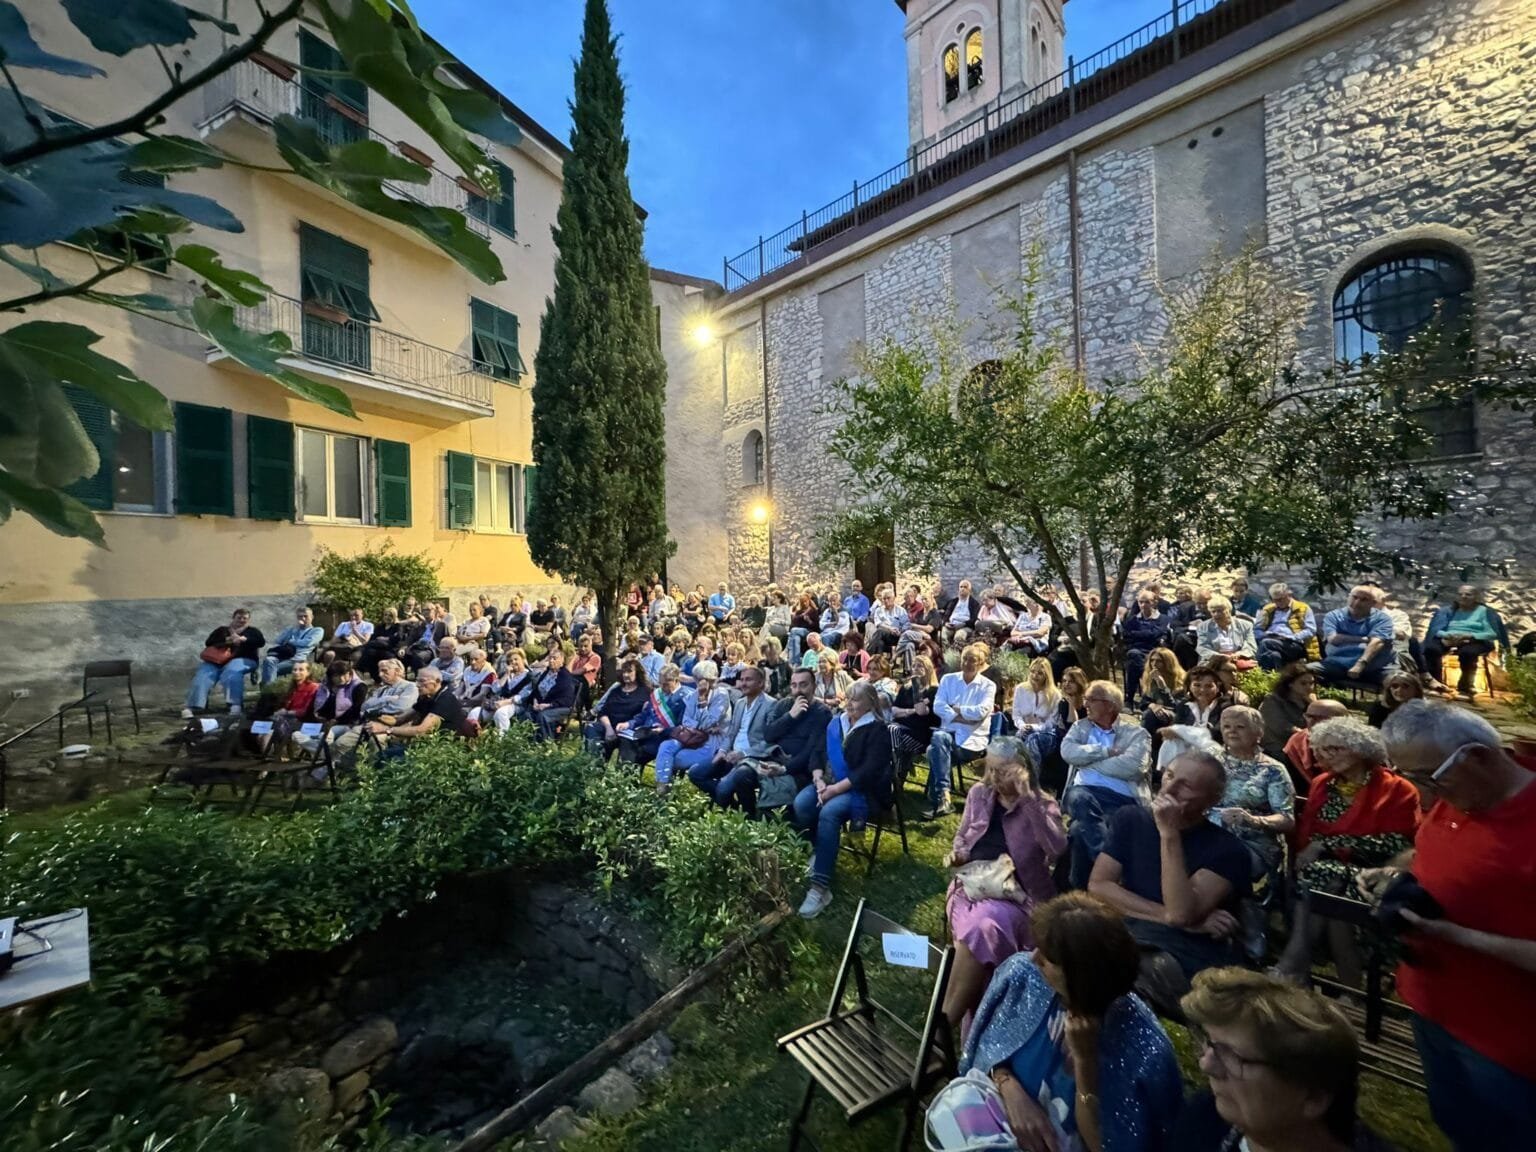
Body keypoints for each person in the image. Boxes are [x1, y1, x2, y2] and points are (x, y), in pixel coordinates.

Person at [1360, 702, 1536, 1149]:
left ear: (1477, 756)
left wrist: (1454, 935)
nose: (1422, 791)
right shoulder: (1457, 798)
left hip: (1509, 1040)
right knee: (1459, 1126)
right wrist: (1398, 873)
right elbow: (1427, 851)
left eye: (1426, 777)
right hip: (1432, 1008)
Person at [961, 892, 1184, 1152]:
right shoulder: (1023, 976)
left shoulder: (1146, 1050)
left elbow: (1109, 1145)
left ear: (1081, 976)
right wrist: (1008, 1087)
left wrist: (1085, 1060)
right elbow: (984, 1050)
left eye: (1048, 958)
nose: (1034, 958)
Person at [1089, 751, 1252, 1007]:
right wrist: (1166, 916)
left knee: (1113, 965)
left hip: (1188, 952)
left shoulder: (1228, 851)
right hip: (1136, 929)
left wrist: (1169, 834)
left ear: (1212, 800)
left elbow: (1180, 913)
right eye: (1169, 775)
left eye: (1185, 785)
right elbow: (1099, 886)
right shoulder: (1131, 819)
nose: (1170, 788)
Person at [1175, 968, 1399, 1152]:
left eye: (1230, 1055)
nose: (1206, 1065)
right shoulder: (1204, 1121)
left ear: (1314, 1097)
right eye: (1210, 1044)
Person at [1273, 716, 1421, 987]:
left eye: (1336, 748)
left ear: (1361, 748)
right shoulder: (1323, 784)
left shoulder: (1398, 789)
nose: (1328, 756)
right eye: (1323, 750)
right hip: (1327, 874)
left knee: (1327, 887)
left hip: (1376, 873)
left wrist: (1326, 845)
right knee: (1332, 901)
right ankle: (1347, 985)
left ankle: (1295, 964)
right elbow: (1307, 833)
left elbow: (1397, 843)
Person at [942, 737, 1067, 1036]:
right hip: (972, 887)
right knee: (981, 928)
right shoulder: (979, 794)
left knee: (983, 928)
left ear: (1022, 769)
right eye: (990, 769)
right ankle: (967, 1029)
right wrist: (960, 853)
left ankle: (944, 1027)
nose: (993, 778)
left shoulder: (1042, 803)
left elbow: (1057, 849)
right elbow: (962, 836)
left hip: (1020, 899)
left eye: (1002, 771)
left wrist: (1028, 799)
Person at [792, 680, 893, 918]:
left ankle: (820, 888)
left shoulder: (878, 730)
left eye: (856, 699)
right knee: (802, 804)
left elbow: (868, 772)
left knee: (829, 812)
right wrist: (818, 779)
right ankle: (821, 849)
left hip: (862, 792)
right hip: (827, 783)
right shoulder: (836, 722)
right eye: (848, 698)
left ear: (870, 702)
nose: (850, 704)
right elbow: (818, 752)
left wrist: (833, 791)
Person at [1213, 706, 1296, 959]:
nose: (1231, 731)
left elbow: (1286, 818)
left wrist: (1253, 820)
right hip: (1209, 835)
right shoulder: (1209, 760)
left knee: (1226, 862)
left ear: (1258, 733)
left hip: (1253, 843)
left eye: (1240, 726)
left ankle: (1248, 940)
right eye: (1227, 726)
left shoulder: (1272, 770)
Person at [1061, 681, 1153, 889]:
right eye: (1085, 699)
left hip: (1121, 799)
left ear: (1110, 705)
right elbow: (1067, 753)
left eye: (1091, 700)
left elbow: (1133, 767)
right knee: (1080, 799)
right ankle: (1109, 868)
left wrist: (1088, 762)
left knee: (1078, 829)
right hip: (1083, 794)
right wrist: (1104, 752)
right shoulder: (1080, 727)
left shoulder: (1137, 734)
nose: (1085, 704)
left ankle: (1079, 889)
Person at [688, 664, 778, 813]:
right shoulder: (740, 703)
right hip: (730, 754)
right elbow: (731, 733)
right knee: (695, 773)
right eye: (742, 679)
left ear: (760, 683)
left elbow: (769, 741)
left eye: (748, 680)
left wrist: (742, 754)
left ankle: (742, 814)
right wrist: (722, 751)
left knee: (723, 789)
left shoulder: (771, 705)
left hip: (751, 759)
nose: (743, 683)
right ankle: (734, 809)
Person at [922, 642, 997, 820]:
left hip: (972, 742)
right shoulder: (948, 680)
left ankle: (940, 797)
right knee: (940, 738)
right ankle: (944, 796)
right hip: (948, 735)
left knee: (935, 750)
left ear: (980, 663)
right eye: (965, 659)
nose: (968, 663)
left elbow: (981, 713)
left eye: (973, 660)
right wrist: (963, 717)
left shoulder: (988, 686)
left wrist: (955, 710)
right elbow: (938, 706)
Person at [654, 660, 732, 795]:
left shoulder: (721, 695)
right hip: (690, 736)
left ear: (710, 680)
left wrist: (702, 703)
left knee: (674, 759)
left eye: (700, 679)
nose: (697, 683)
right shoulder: (693, 695)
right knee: (666, 746)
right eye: (696, 679)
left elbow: (709, 722)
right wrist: (701, 725)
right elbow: (686, 721)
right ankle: (662, 788)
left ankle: (666, 794)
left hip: (711, 742)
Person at [1422, 584, 1510, 698]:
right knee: (1431, 649)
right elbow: (1436, 630)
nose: (1463, 597)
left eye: (1468, 594)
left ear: (1476, 597)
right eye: (1460, 594)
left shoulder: (1484, 612)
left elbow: (1492, 633)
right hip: (1450, 638)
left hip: (1475, 639)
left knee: (1468, 653)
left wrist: (1470, 636)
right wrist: (1448, 635)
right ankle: (1437, 684)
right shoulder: (1449, 611)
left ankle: (1465, 688)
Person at [765, 666, 833, 800]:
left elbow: (811, 751)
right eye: (794, 685)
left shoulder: (822, 713)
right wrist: (790, 716)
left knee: (776, 789)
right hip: (774, 761)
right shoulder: (783, 705)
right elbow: (768, 735)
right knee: (743, 775)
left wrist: (784, 769)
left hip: (800, 770)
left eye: (803, 685)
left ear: (814, 686)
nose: (798, 691)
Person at [184, 608, 265, 718]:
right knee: (203, 674)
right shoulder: (222, 630)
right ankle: (193, 706)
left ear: (248, 620)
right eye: (239, 617)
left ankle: (234, 704)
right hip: (216, 660)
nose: (241, 620)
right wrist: (229, 640)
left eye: (244, 618)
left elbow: (260, 642)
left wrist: (244, 640)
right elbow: (209, 642)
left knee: (232, 672)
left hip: (243, 659)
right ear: (233, 618)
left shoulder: (252, 631)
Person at [366, 665, 462, 755]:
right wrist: (377, 716)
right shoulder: (426, 697)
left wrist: (386, 730)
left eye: (422, 681)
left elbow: (422, 731)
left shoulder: (445, 700)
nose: (417, 685)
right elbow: (399, 720)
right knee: (381, 755)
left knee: (384, 758)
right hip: (422, 745)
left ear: (436, 681)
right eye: (417, 681)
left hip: (439, 750)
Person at [1313, 586, 1395, 687]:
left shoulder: (1382, 619)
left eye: (1364, 600)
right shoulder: (1334, 616)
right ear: (1348, 597)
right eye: (1354, 597)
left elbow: (1377, 642)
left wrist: (1360, 664)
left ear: (1373, 603)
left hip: (1375, 667)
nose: (1357, 602)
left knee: (1401, 680)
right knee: (1302, 671)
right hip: (1337, 664)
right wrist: (1364, 639)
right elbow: (1333, 639)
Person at [619, 663, 688, 770]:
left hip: (663, 739)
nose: (662, 687)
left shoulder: (684, 699)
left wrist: (664, 730)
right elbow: (644, 714)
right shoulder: (657, 694)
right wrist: (628, 723)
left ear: (675, 680)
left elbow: (683, 728)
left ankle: (628, 783)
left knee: (636, 755)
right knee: (625, 743)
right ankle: (621, 781)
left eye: (665, 684)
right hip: (644, 733)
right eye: (660, 683)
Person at [585, 657, 651, 761]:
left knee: (627, 742)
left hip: (629, 730)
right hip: (610, 727)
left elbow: (645, 716)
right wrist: (608, 728)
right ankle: (594, 769)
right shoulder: (616, 691)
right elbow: (603, 712)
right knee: (592, 728)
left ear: (637, 673)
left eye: (629, 671)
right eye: (624, 671)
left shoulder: (646, 692)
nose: (625, 675)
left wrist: (628, 725)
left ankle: (623, 775)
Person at [889, 655, 939, 784]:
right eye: (914, 666)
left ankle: (896, 775)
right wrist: (911, 711)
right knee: (887, 732)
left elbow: (922, 712)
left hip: (920, 735)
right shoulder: (906, 689)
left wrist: (917, 687)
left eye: (920, 666)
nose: (916, 669)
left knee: (891, 730)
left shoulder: (934, 691)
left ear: (928, 669)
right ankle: (899, 771)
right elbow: (893, 711)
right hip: (901, 731)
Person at [1255, 583, 1320, 670]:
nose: (1278, 603)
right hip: (1272, 639)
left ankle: (1256, 670)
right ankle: (1276, 679)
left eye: (1280, 599)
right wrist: (1264, 635)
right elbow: (1257, 629)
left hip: (1294, 643)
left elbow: (1311, 630)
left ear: (1289, 595)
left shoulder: (1303, 608)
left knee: (1266, 643)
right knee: (1273, 655)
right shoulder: (1268, 609)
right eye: (1275, 600)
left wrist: (1293, 637)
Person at [1123, 590, 1172, 703]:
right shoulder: (1133, 619)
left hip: (1155, 652)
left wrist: (1137, 634)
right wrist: (1150, 634)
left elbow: (1158, 634)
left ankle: (1131, 699)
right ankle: (1144, 696)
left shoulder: (1163, 619)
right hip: (1137, 651)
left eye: (1147, 602)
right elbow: (1126, 635)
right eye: (1141, 602)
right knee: (1133, 656)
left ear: (1154, 602)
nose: (1143, 605)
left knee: (1134, 661)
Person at [1259, 662, 1315, 761]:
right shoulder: (1273, 700)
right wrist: (1307, 736)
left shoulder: (1310, 703)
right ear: (1290, 684)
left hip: (1306, 747)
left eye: (1311, 683)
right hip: (1280, 749)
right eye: (1303, 683)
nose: (1309, 687)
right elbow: (1281, 727)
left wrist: (1315, 705)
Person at [260, 606, 325, 685]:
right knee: (268, 661)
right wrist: (294, 629)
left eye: (305, 616)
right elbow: (278, 641)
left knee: (269, 669)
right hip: (283, 657)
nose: (303, 619)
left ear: (312, 617)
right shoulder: (292, 629)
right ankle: (270, 690)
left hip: (297, 660)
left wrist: (292, 641)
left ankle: (268, 692)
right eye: (300, 617)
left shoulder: (317, 630)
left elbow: (307, 643)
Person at [527, 645, 579, 741]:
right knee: (527, 713)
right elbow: (537, 690)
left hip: (562, 706)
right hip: (542, 704)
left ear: (562, 661)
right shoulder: (547, 673)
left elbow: (567, 700)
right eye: (550, 658)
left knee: (543, 716)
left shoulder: (565, 677)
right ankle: (533, 741)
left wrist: (547, 705)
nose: (551, 661)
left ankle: (547, 743)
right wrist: (535, 701)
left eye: (554, 658)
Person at [484, 648, 535, 732]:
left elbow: (523, 696)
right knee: (475, 712)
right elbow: (495, 689)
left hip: (518, 705)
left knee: (500, 713)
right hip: (499, 702)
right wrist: (506, 675)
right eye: (510, 661)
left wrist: (505, 702)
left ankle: (502, 740)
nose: (513, 662)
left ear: (523, 660)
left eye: (516, 659)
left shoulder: (529, 676)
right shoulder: (506, 674)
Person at [1196, 596, 1258, 664]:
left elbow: (1251, 645)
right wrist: (1221, 657)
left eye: (1219, 611)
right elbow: (1202, 647)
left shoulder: (1245, 625)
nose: (1216, 614)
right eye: (1213, 612)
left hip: (1240, 659)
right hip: (1214, 661)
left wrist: (1239, 654)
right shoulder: (1203, 627)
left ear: (1229, 610)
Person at [1011, 657, 1060, 734]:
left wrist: (1035, 728)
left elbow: (1053, 720)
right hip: (1022, 730)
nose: (1035, 675)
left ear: (1046, 675)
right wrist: (1022, 726)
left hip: (1045, 732)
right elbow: (1016, 715)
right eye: (1032, 671)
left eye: (1040, 673)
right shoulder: (1020, 689)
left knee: (1033, 739)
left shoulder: (1055, 694)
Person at [864, 585, 908, 655]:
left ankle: (866, 657)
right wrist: (890, 629)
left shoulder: (901, 611)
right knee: (879, 642)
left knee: (879, 633)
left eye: (888, 598)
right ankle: (879, 664)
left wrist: (899, 631)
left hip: (897, 636)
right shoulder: (878, 610)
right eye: (884, 598)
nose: (886, 600)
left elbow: (906, 625)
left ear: (893, 598)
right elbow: (878, 624)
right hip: (884, 635)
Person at [943, 579, 982, 647]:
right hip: (951, 625)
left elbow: (974, 619)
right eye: (961, 587)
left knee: (959, 636)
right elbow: (946, 615)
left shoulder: (974, 603)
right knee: (942, 635)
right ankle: (945, 653)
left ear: (969, 590)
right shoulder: (953, 602)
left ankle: (957, 655)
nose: (962, 589)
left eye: (965, 587)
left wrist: (962, 625)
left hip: (965, 626)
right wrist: (946, 623)